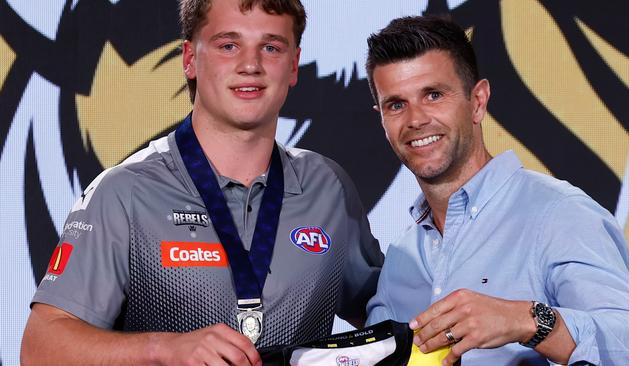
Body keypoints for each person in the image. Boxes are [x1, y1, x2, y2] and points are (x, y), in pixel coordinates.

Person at [20, 0, 383, 365]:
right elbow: (40, 349)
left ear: (293, 65)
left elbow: (388, 312)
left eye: (271, 47)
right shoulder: (125, 192)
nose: (250, 66)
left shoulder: (328, 187)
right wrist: (163, 349)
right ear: (190, 59)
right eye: (229, 45)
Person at [363, 15, 629, 366]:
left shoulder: (559, 214)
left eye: (434, 95)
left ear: (478, 101)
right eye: (396, 104)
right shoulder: (401, 260)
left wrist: (527, 321)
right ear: (381, 119)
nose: (416, 119)